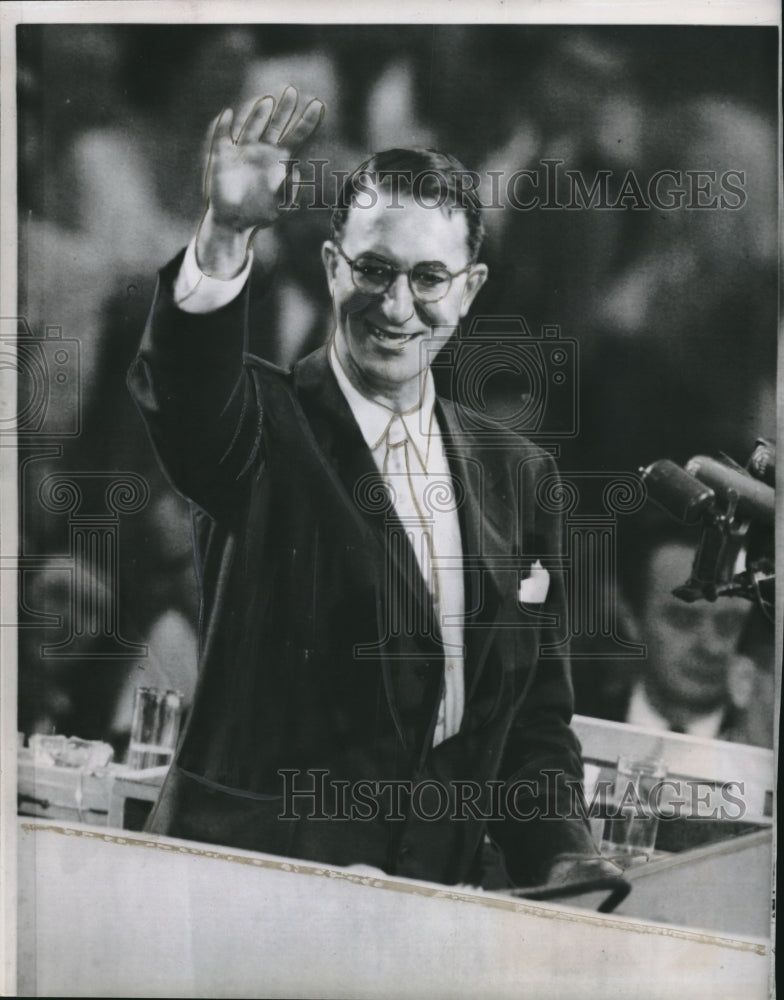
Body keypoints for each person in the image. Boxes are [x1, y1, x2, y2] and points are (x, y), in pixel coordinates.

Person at [128, 86, 603, 888]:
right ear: (331, 265)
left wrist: (562, 854)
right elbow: (183, 393)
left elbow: (533, 722)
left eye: (428, 279)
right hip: (247, 895)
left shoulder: (520, 474)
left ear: (470, 288)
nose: (396, 306)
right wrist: (225, 237)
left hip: (429, 912)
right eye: (374, 271)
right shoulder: (263, 424)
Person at [573, 534, 772, 744]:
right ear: (631, 619)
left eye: (729, 623)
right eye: (683, 619)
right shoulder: (570, 724)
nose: (711, 647)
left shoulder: (766, 744)